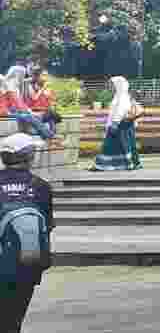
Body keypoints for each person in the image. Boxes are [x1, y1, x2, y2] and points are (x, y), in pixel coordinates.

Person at [1, 133, 54, 333]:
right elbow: (47, 227)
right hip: (27, 264)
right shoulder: (41, 187)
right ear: (29, 156)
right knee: (13, 320)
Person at [90, 77, 143, 171]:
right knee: (124, 146)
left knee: (110, 147)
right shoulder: (122, 96)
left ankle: (105, 165)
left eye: (113, 85)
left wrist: (114, 123)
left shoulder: (121, 97)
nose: (111, 87)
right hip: (123, 126)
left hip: (119, 126)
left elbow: (119, 111)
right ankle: (129, 163)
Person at [0, 67, 53, 141]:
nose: (22, 77)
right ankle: (49, 136)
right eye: (22, 74)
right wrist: (28, 111)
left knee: (46, 115)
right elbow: (17, 102)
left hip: (9, 110)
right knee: (28, 116)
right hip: (5, 112)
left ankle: (48, 136)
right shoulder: (10, 84)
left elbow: (18, 102)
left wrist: (27, 110)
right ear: (18, 74)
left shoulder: (10, 84)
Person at [27, 69, 61, 139]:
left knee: (51, 116)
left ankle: (52, 135)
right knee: (52, 115)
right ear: (38, 76)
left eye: (46, 75)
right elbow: (34, 98)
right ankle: (52, 134)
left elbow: (51, 102)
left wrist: (49, 94)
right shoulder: (31, 86)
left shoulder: (48, 88)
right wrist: (42, 89)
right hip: (35, 112)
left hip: (46, 112)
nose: (46, 77)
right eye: (43, 75)